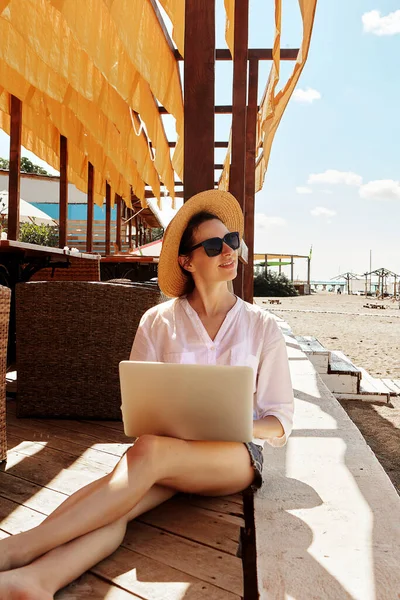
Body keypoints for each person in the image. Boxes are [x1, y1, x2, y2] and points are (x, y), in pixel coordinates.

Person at [0, 189, 294, 599]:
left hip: (233, 455)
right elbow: (135, 406)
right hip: (165, 452)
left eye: (231, 241)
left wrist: (234, 422)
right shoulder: (157, 321)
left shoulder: (262, 326)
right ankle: (34, 582)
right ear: (186, 261)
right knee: (121, 502)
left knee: (142, 462)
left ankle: (15, 550)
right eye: (213, 245)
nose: (228, 251)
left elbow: (280, 422)